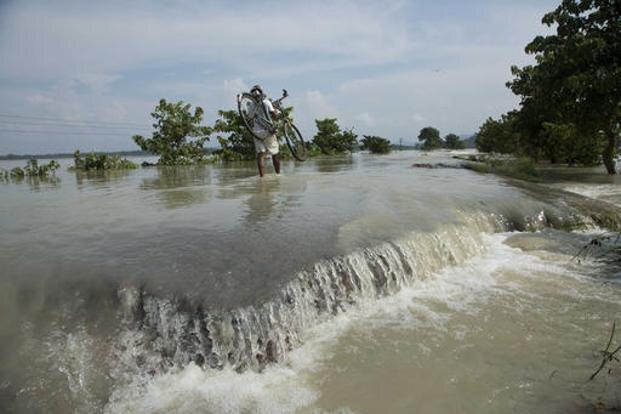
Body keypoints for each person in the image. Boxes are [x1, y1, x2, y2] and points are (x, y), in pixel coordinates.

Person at [248, 85, 281, 177]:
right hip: (268, 131)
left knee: (260, 154)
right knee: (275, 153)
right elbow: (273, 115)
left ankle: (262, 177)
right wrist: (276, 112)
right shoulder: (266, 102)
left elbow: (249, 120)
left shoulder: (251, 105)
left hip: (256, 132)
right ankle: (278, 175)